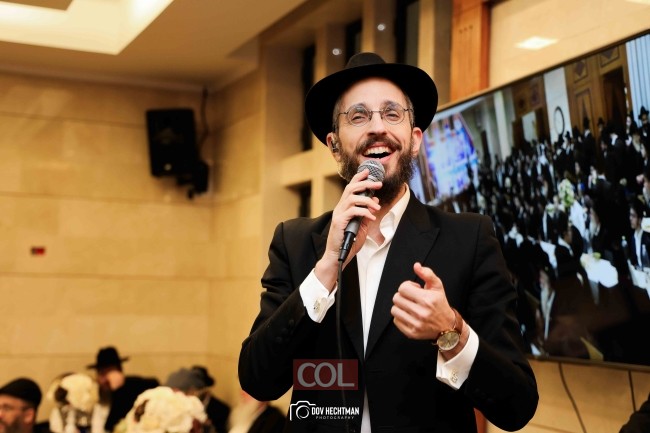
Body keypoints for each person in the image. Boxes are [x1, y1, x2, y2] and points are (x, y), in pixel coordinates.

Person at [238, 52, 538, 433]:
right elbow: (258, 379)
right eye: (358, 116)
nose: (378, 127)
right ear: (334, 145)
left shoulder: (469, 239)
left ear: (415, 140)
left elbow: (517, 406)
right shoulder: (295, 242)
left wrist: (452, 331)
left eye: (392, 113)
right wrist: (326, 269)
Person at [86, 346, 158, 433]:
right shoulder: (96, 395)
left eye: (110, 372)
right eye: (102, 373)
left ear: (120, 372)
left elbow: (155, 385)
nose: (106, 379)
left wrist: (119, 389)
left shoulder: (133, 389)